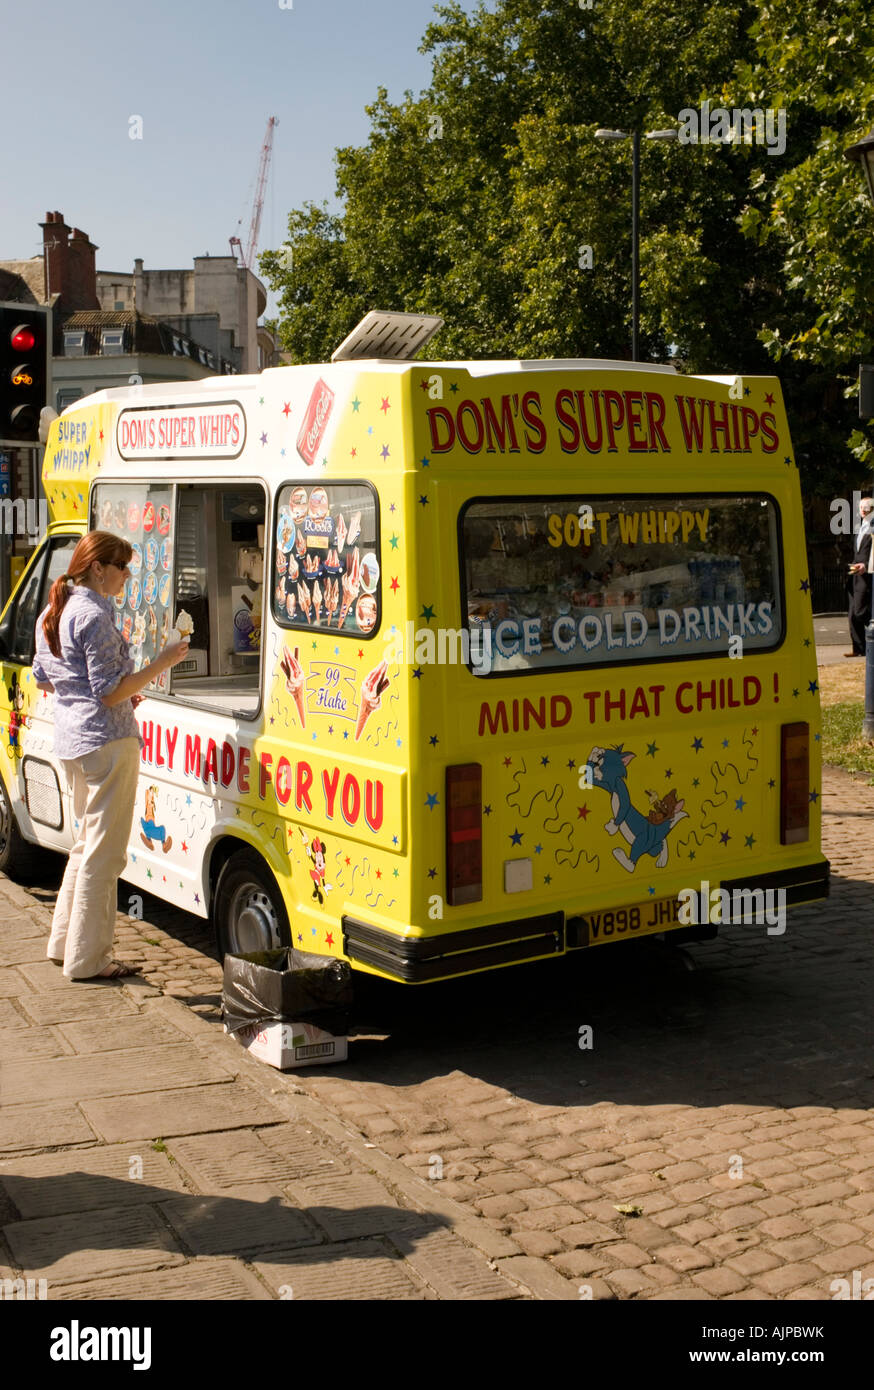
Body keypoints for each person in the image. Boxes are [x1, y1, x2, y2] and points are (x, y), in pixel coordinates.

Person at [31, 531, 190, 980]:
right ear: (98, 568)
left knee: (85, 846)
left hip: (73, 740)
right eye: (123, 568)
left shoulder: (55, 610)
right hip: (107, 740)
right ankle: (88, 959)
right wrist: (161, 663)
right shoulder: (94, 616)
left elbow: (47, 678)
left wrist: (103, 695)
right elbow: (107, 693)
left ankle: (64, 943)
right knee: (105, 855)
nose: (127, 577)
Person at [846, 496, 874, 657]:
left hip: (865, 574)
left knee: (860, 611)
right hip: (854, 574)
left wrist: (865, 564)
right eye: (861, 507)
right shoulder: (860, 527)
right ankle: (859, 649)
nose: (863, 510)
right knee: (852, 615)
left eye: (867, 507)